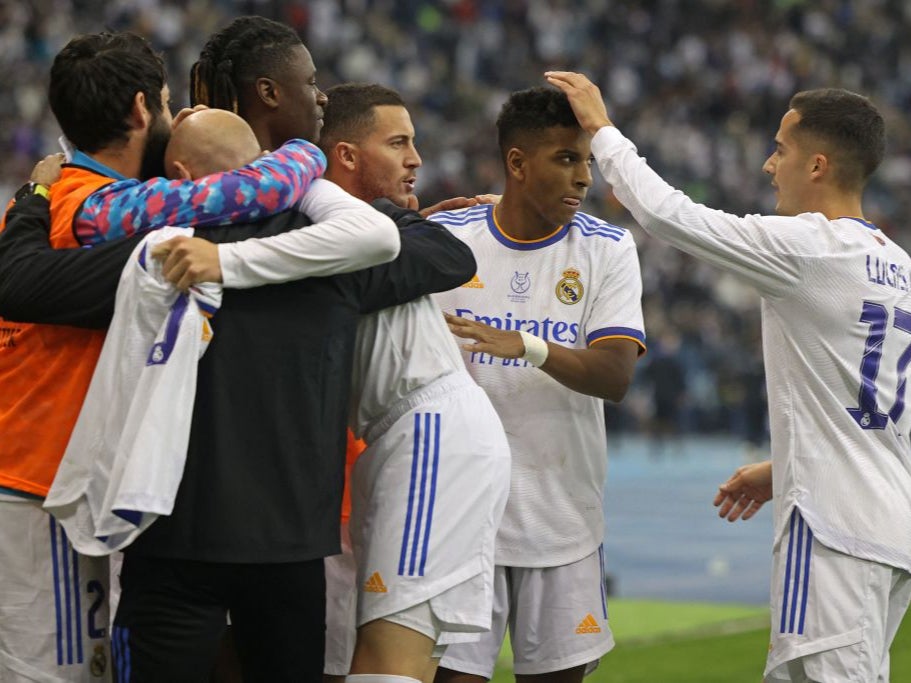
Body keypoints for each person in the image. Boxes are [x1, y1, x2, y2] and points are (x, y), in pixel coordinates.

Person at [1, 17, 479, 680]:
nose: (321, 96)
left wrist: (33, 196)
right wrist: (318, 182)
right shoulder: (329, 240)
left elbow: (22, 280)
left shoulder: (149, 244)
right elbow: (440, 255)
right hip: (288, 539)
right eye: (310, 82)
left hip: (169, 534)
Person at [547, 70, 911, 683]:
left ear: (817, 166)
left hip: (833, 528)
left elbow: (669, 215)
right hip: (889, 526)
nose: (770, 165)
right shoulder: (899, 265)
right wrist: (788, 463)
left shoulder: (809, 247)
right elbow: (888, 412)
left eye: (780, 149)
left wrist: (602, 130)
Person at [0, 30, 325, 683]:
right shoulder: (98, 207)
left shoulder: (54, 195)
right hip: (35, 482)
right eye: (170, 103)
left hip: (47, 479)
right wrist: (305, 148)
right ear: (143, 108)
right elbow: (241, 193)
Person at [430, 87, 646, 682]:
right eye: (566, 158)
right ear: (517, 163)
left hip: (562, 521)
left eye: (587, 161)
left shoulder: (607, 248)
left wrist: (525, 345)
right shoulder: (447, 238)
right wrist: (413, 222)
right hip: (461, 522)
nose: (584, 177)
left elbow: (615, 376)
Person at [317, 82, 511, 683]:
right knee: (398, 655)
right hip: (413, 434)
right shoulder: (356, 228)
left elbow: (452, 257)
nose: (416, 159)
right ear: (346, 155)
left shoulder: (358, 225)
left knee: (386, 662)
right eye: (398, 143)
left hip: (426, 430)